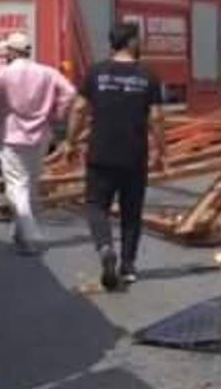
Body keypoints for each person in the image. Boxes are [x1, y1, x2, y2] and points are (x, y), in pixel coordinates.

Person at [64, 22, 167, 291]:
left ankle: (106, 248)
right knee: (131, 212)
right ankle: (128, 266)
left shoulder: (96, 73)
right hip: (134, 155)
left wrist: (70, 141)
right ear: (131, 41)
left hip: (101, 153)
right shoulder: (148, 75)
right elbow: (156, 118)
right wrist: (161, 150)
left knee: (96, 206)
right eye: (138, 39)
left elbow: (77, 109)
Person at [0, 32, 76, 255]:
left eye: (7, 50)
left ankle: (30, 233)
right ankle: (22, 236)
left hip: (12, 135)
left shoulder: (2, 73)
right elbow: (70, 92)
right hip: (41, 135)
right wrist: (56, 114)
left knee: (16, 186)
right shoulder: (47, 72)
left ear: (11, 52)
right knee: (29, 184)